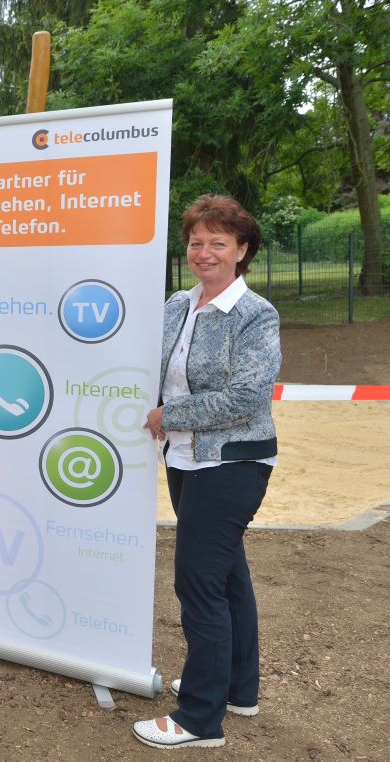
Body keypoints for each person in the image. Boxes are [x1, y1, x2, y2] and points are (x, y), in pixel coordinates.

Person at [133, 195, 280, 750]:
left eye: (219, 242)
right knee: (226, 577)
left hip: (232, 462)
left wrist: (169, 415)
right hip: (185, 459)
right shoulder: (178, 303)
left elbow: (246, 397)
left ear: (242, 250)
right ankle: (237, 689)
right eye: (197, 242)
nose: (205, 252)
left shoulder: (255, 314)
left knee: (197, 582)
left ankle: (199, 718)